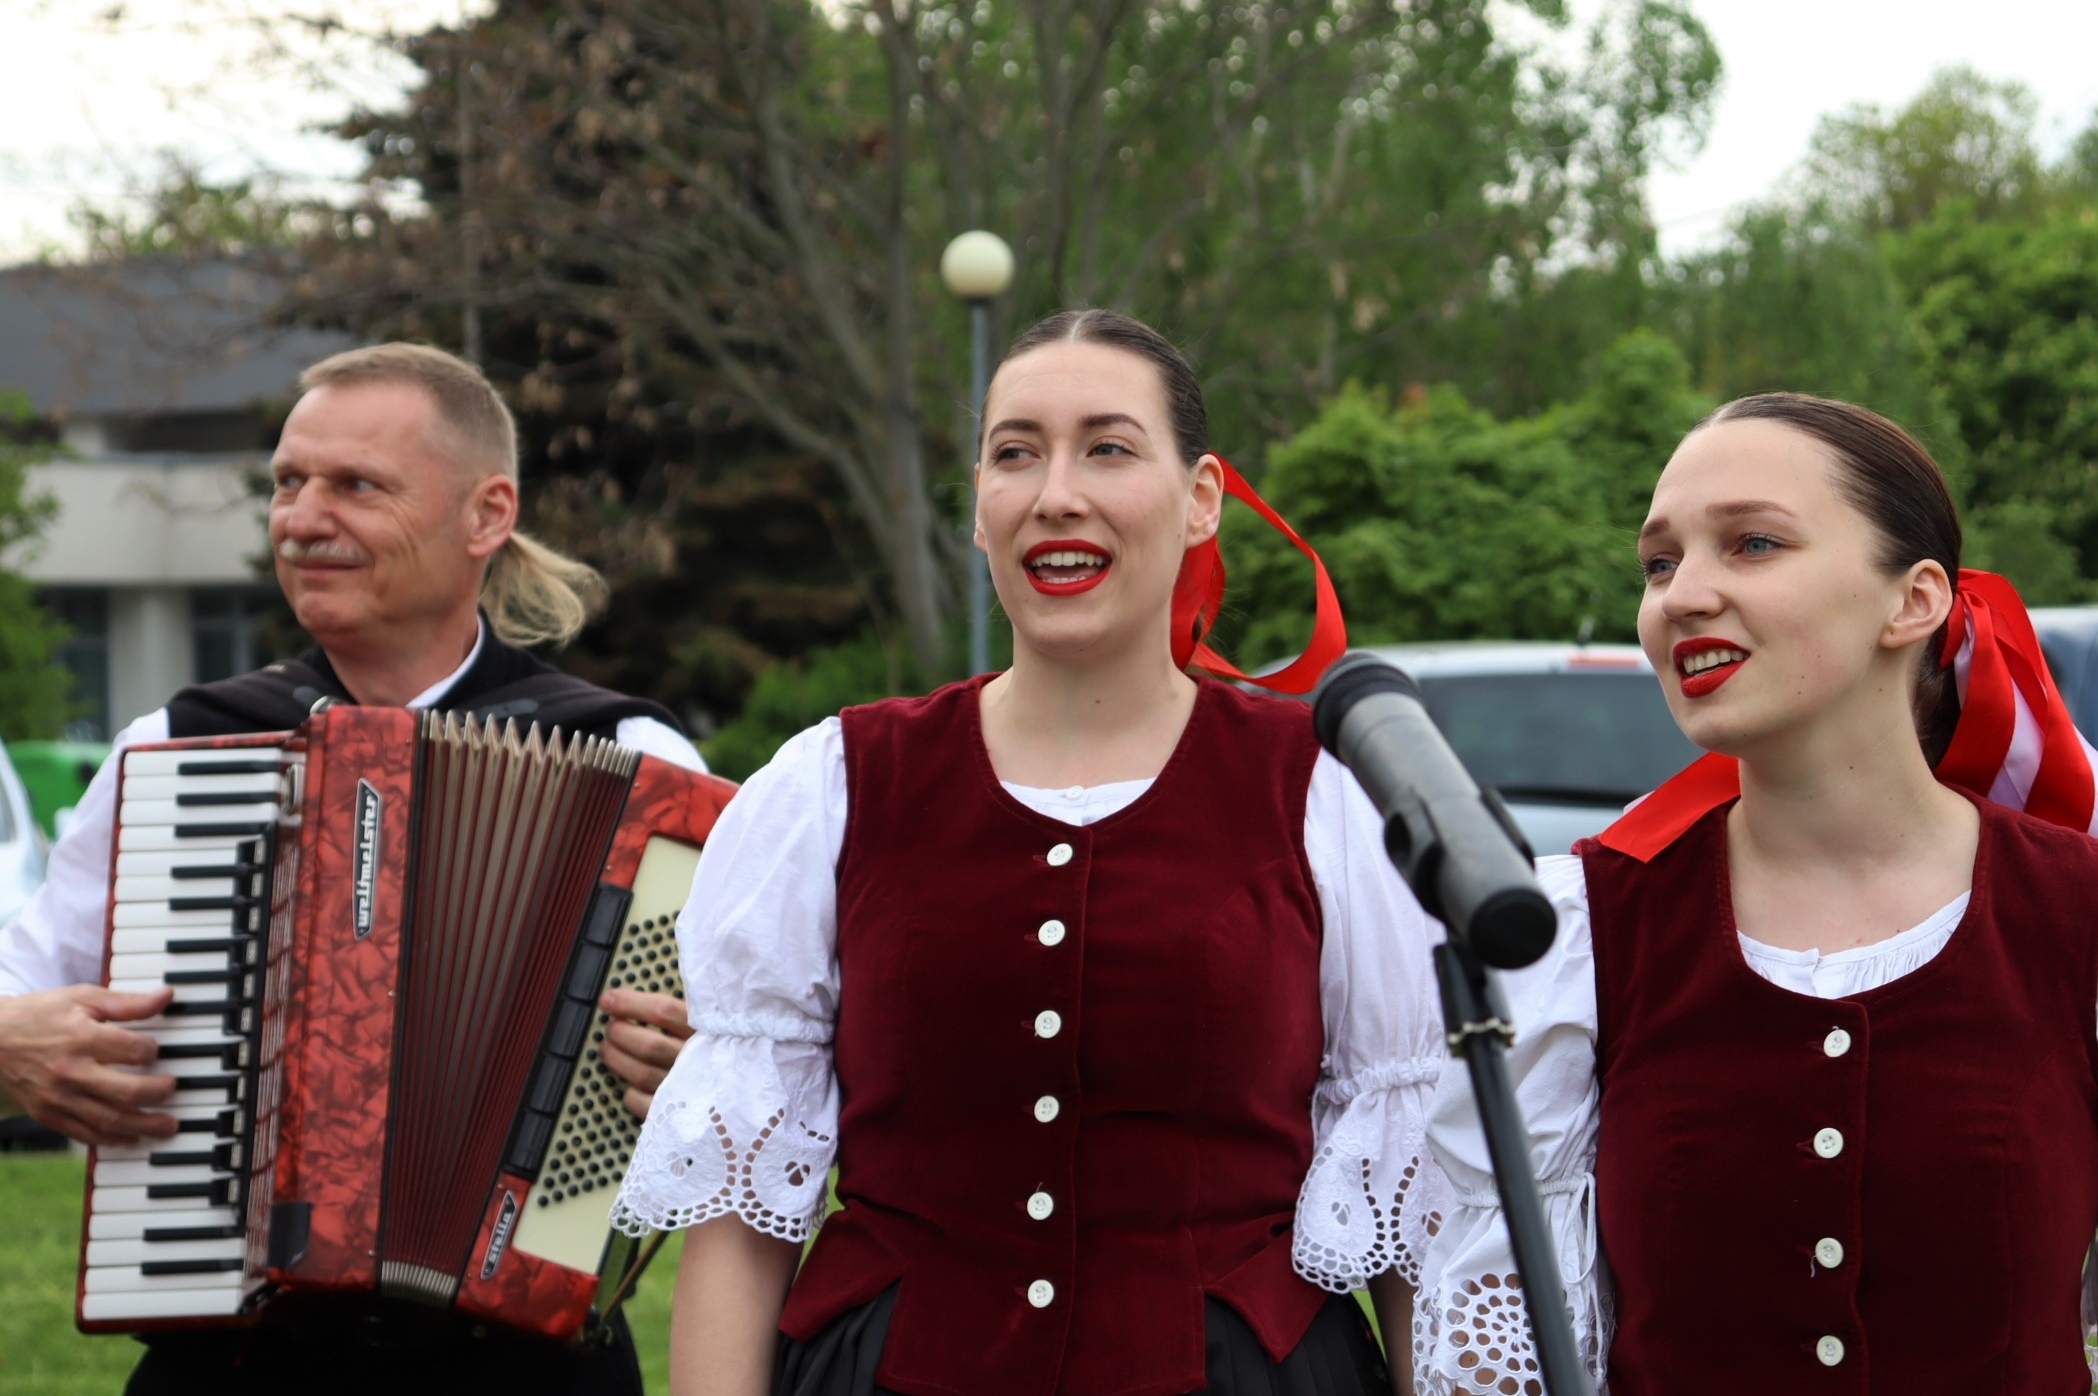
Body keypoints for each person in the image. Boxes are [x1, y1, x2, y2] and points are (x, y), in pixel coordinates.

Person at [609, 308, 1450, 1396]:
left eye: (1108, 448)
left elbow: (1412, 1206)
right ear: (978, 505)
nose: (1056, 493)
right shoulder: (832, 785)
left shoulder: (1325, 793)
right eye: (1016, 453)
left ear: (1202, 498)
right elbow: (741, 1214)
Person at [0, 342, 707, 1395]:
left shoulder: (642, 765)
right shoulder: (183, 746)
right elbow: (21, 979)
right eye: (288, 482)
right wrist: (11, 1039)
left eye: (356, 486)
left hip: (521, 1366)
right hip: (232, 1359)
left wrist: (693, 1065)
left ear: (486, 515)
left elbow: (760, 1072)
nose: (302, 518)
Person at [1415, 394, 2098, 1395]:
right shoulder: (1584, 933)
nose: (1682, 596)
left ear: (1913, 601)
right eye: (1659, 563)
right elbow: (1505, 1348)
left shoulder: (2074, 915)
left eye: (1754, 544)